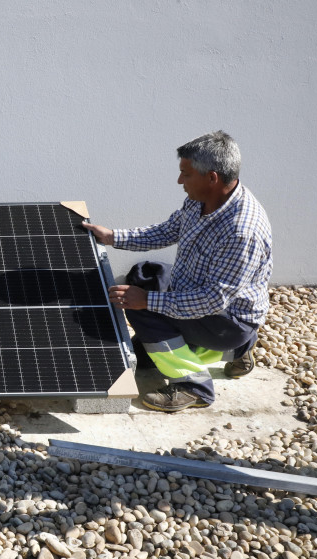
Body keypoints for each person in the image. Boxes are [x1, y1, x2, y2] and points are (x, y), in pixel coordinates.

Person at [83, 131, 272, 412]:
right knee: (146, 274)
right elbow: (170, 230)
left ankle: (193, 387)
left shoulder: (242, 232)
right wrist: (113, 237)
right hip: (203, 297)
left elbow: (210, 301)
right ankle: (237, 351)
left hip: (228, 321)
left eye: (186, 174)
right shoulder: (203, 199)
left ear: (212, 177)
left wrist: (146, 301)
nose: (179, 181)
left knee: (138, 307)